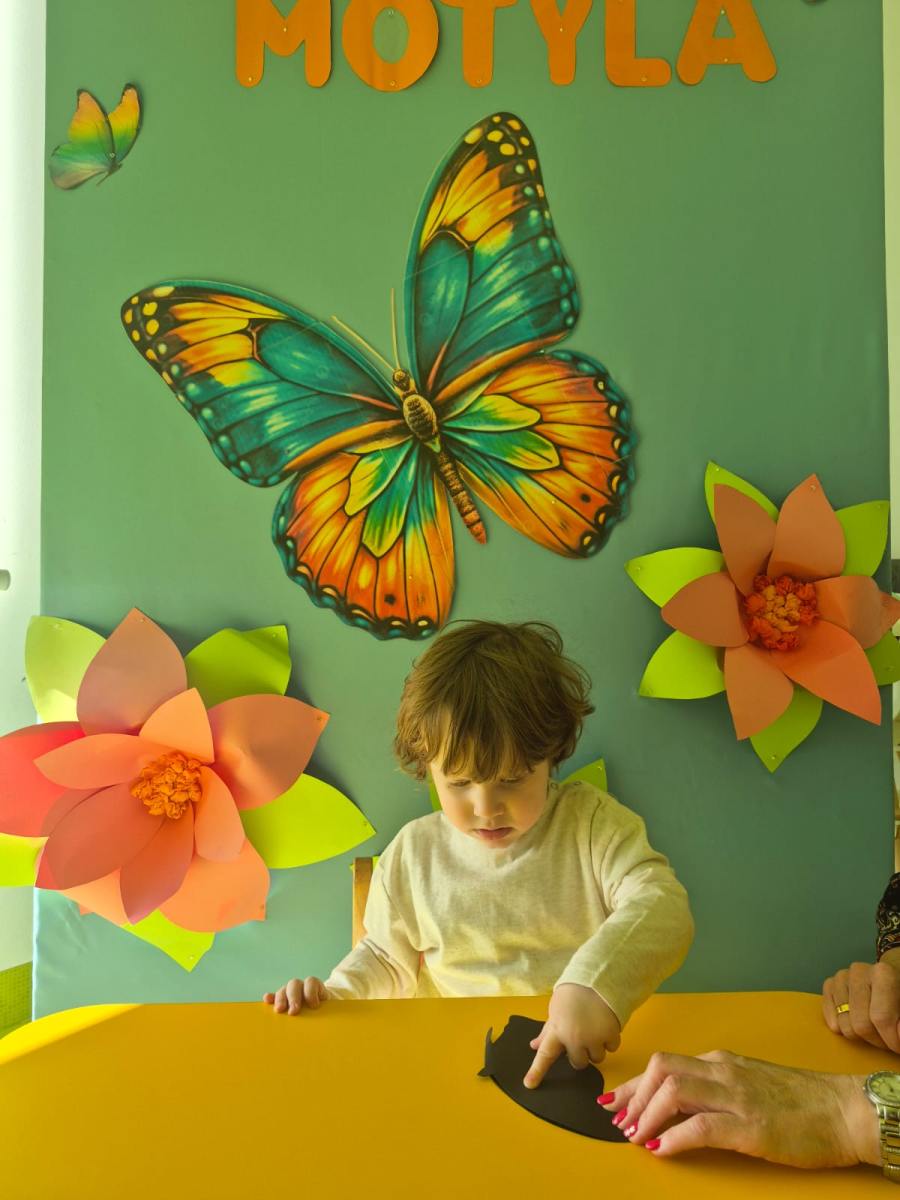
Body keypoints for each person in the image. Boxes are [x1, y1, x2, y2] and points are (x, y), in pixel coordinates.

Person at [264, 619, 694, 1087]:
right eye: (460, 783)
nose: (486, 808)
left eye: (511, 779)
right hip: (450, 1064)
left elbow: (663, 904)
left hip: (571, 1062)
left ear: (551, 755)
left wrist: (594, 987)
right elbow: (386, 959)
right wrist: (335, 999)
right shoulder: (414, 853)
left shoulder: (590, 826)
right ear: (428, 768)